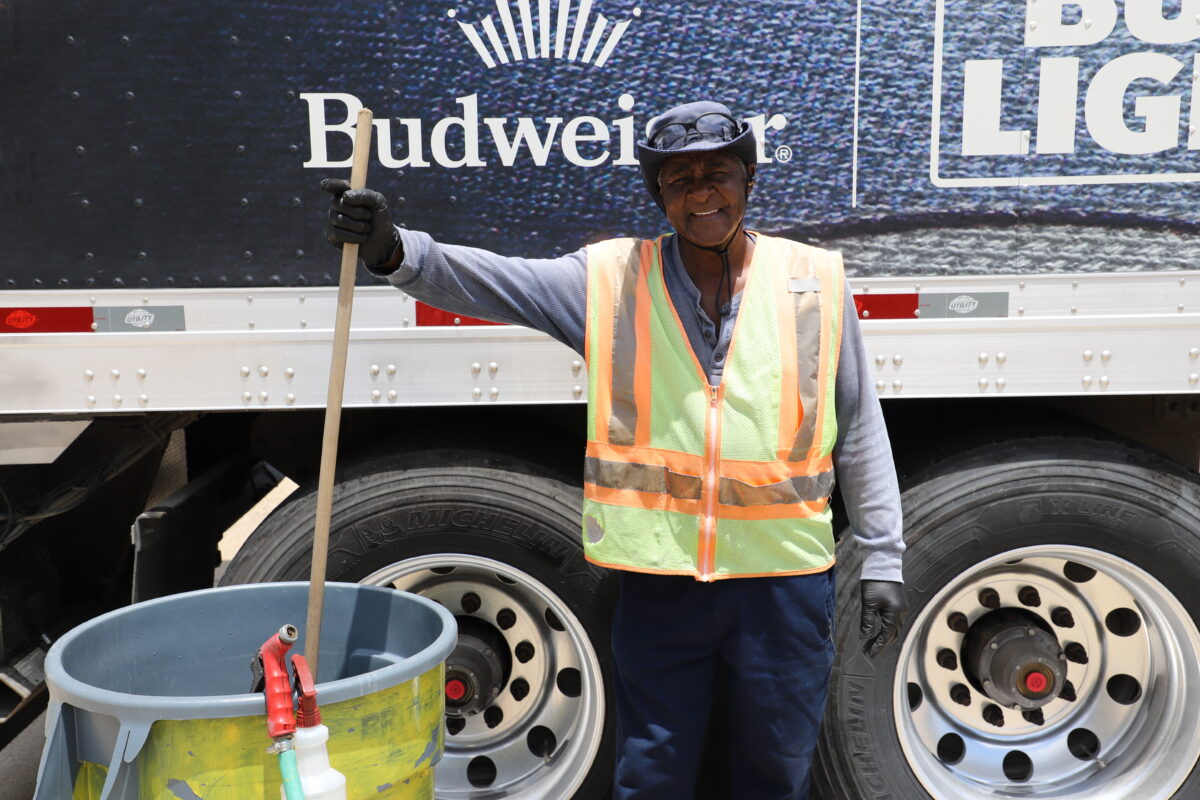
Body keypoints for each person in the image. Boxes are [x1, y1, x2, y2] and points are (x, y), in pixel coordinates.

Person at [323, 100, 905, 800]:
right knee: (652, 772)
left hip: (782, 588)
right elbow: (493, 280)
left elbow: (859, 425)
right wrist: (394, 249)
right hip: (660, 585)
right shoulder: (608, 280)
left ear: (749, 180)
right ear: (659, 197)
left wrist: (883, 556)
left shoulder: (814, 282)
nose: (701, 193)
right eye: (679, 181)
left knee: (776, 774)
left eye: (717, 173)